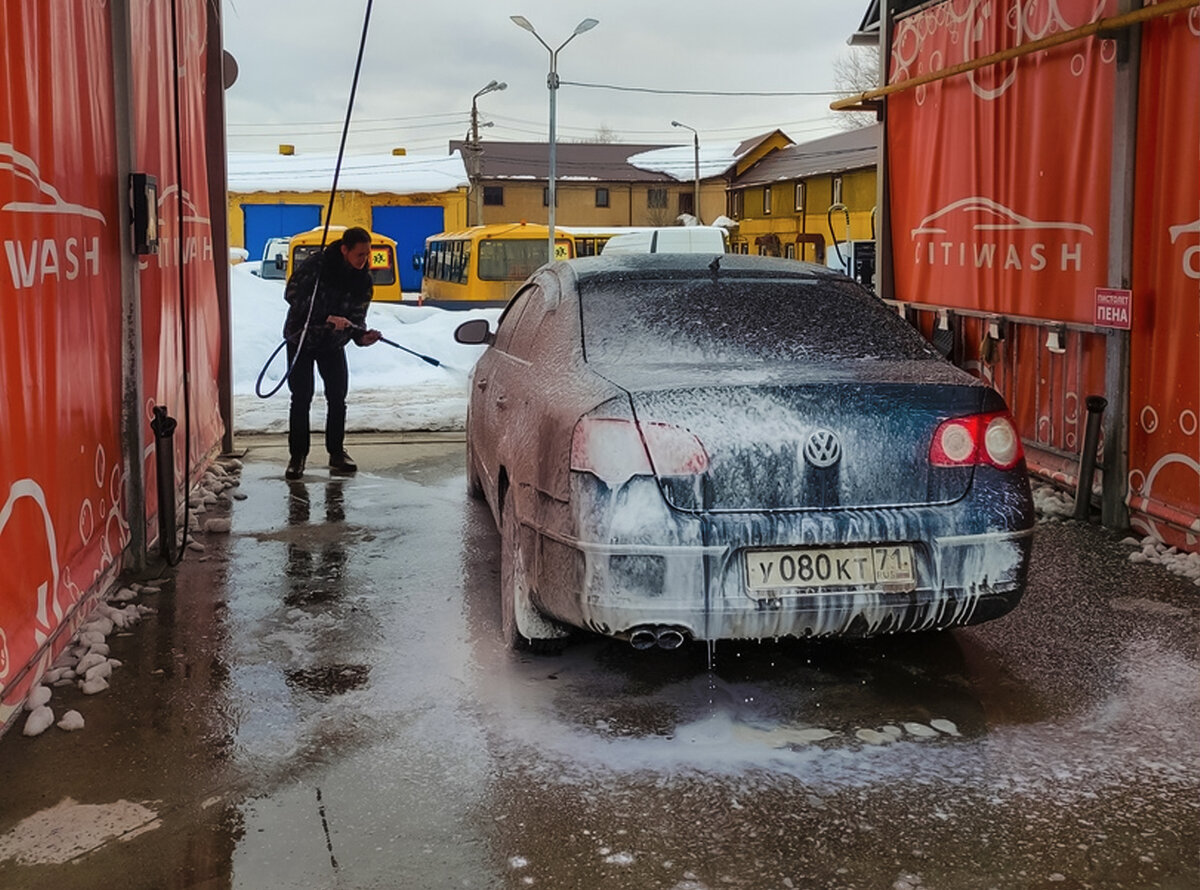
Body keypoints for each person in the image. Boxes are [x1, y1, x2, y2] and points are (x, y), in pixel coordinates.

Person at [282, 226, 382, 480]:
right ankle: (298, 456)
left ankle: (336, 452)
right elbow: (291, 295)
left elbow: (356, 318)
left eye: (367, 254)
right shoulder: (316, 267)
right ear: (344, 249)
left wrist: (362, 336)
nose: (364, 260)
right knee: (301, 397)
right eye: (360, 254)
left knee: (337, 397)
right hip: (302, 339)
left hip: (333, 344)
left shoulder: (363, 280)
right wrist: (325, 317)